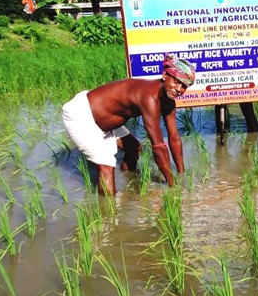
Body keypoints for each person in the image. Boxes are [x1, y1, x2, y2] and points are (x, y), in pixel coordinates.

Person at [62, 53, 196, 195]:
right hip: (82, 115)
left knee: (134, 147)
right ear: (164, 75)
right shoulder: (149, 97)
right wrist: (173, 186)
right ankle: (109, 213)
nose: (179, 89)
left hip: (105, 122)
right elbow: (158, 146)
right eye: (176, 81)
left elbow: (174, 138)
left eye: (184, 86)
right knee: (107, 166)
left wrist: (181, 173)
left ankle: (129, 185)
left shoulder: (169, 99)